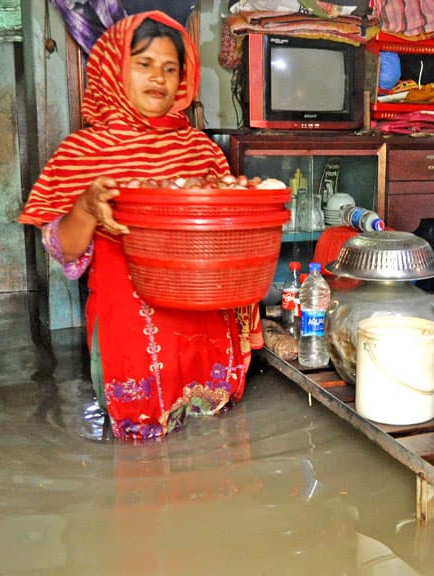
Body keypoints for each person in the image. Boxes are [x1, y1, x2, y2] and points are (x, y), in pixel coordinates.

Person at [18, 11, 262, 441]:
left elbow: (229, 245)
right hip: (131, 336)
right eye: (143, 64)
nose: (159, 78)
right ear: (114, 69)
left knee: (217, 447)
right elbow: (65, 250)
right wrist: (88, 208)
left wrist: (246, 202)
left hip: (205, 331)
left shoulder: (200, 150)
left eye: (170, 68)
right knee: (140, 454)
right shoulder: (83, 152)